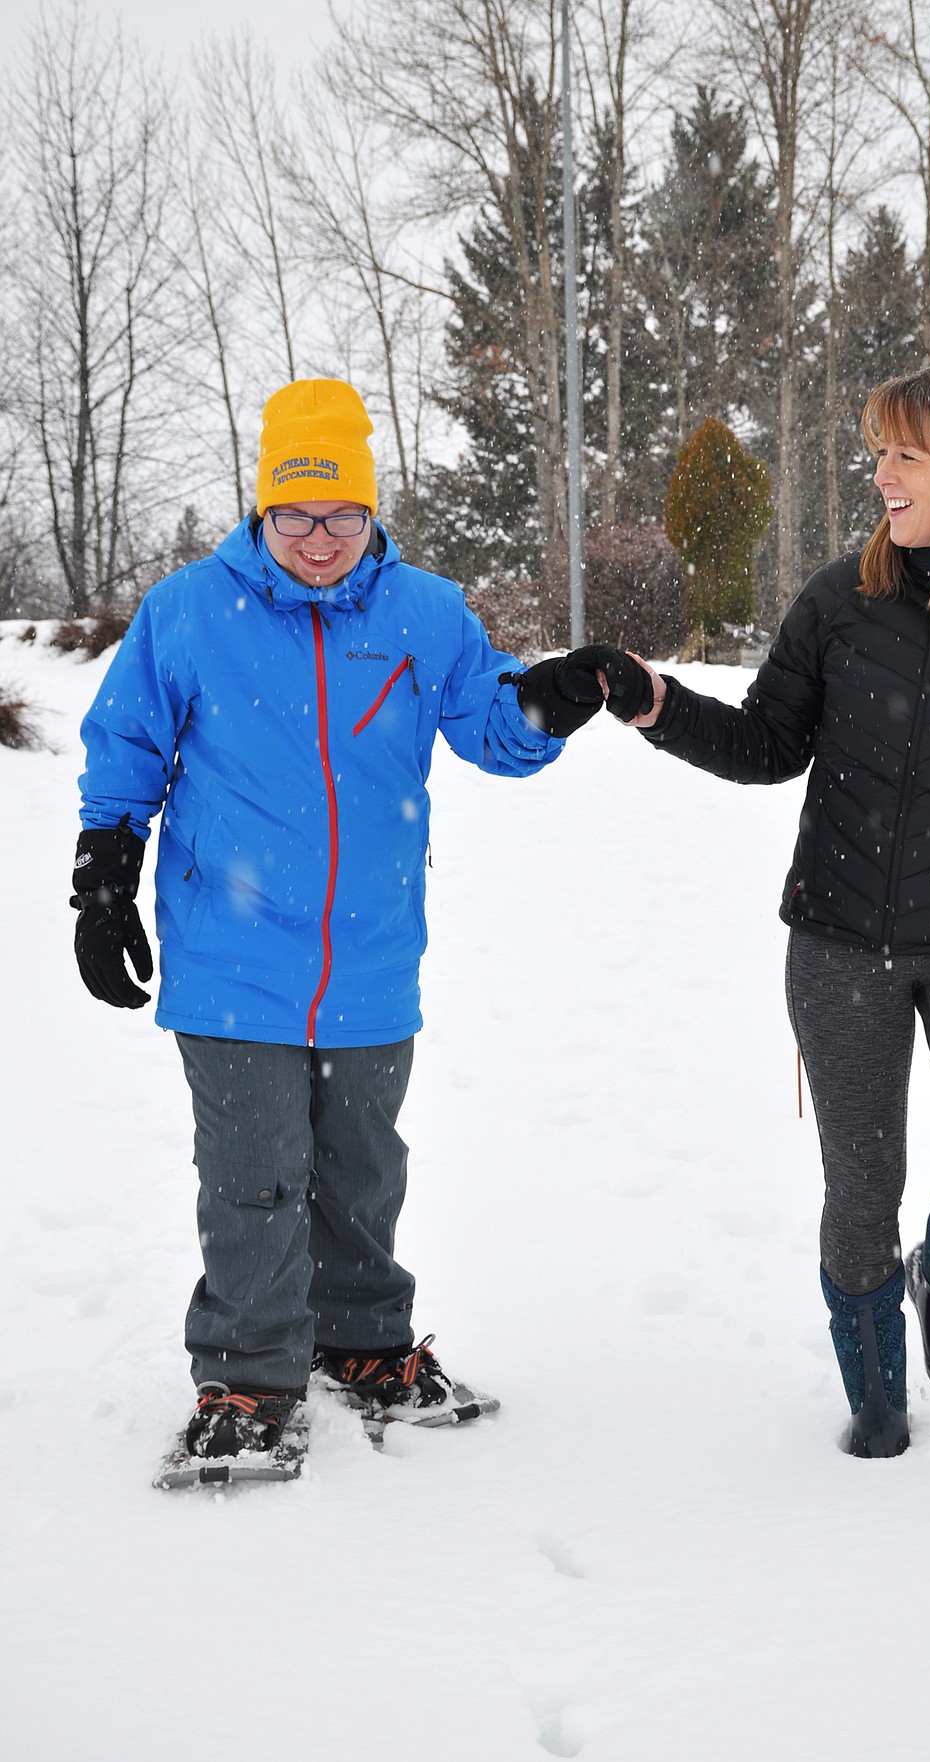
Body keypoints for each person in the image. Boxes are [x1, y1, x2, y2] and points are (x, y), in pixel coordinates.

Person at [561, 363, 930, 1458]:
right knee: (862, 1183)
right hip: (840, 946)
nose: (879, 474)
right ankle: (876, 1402)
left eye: (905, 455)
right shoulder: (841, 601)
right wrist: (654, 704)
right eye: (878, 450)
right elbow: (767, 743)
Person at [71, 377, 609, 1467]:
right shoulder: (187, 613)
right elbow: (125, 745)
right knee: (254, 1176)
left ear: (373, 514)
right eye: (296, 516)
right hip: (231, 960)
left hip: (368, 957)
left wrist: (550, 700)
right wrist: (103, 878)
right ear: (260, 511)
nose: (320, 540)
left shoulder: (425, 614)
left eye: (343, 516)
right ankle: (248, 1378)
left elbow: (493, 727)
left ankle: (363, 1345)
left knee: (363, 1167)